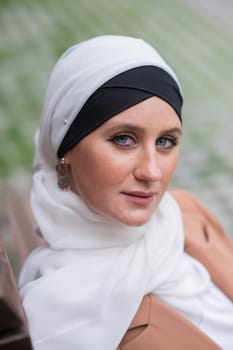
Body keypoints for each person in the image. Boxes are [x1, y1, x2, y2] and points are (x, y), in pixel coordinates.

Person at [19, 35, 233, 350]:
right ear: (65, 149)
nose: (152, 172)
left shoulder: (185, 211)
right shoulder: (65, 316)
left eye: (165, 142)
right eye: (123, 139)